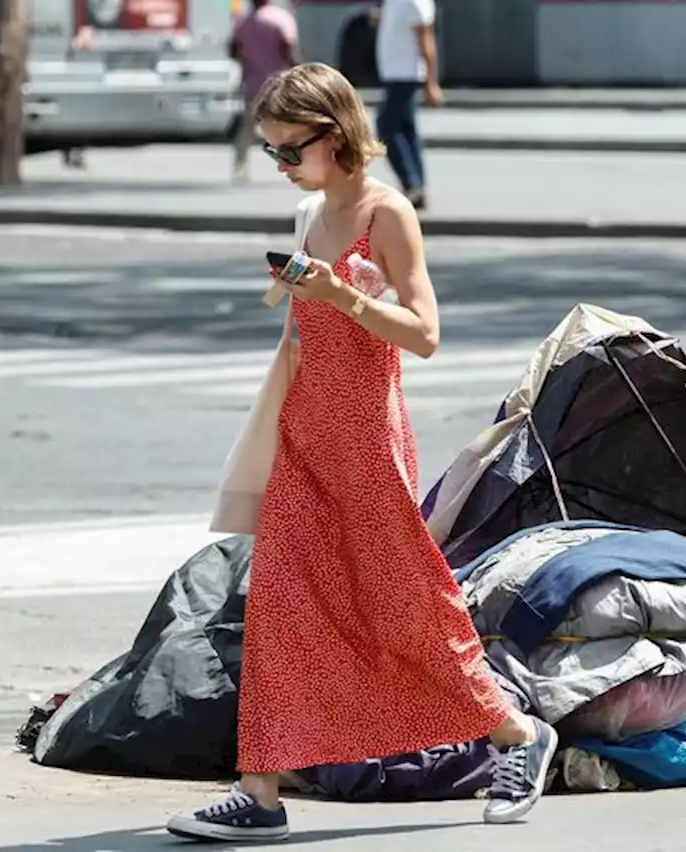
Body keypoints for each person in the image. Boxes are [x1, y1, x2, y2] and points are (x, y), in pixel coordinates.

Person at [165, 63, 557, 843]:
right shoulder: (313, 213)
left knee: (409, 602)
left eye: (288, 150)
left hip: (369, 438)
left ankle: (516, 732)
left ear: (334, 135)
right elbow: (301, 338)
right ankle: (261, 792)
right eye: (272, 151)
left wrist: (343, 296)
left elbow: (426, 335)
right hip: (305, 433)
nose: (280, 166)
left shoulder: (388, 213)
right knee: (280, 607)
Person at [375, 0, 444, 210]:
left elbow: (426, 40)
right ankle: (417, 187)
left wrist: (431, 83)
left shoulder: (415, 2)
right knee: (407, 130)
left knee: (386, 127)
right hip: (396, 74)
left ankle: (412, 184)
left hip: (406, 75)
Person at [229, 0, 302, 183]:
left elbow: (233, 50)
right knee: (289, 127)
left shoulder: (245, 23)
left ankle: (240, 166)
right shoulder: (281, 19)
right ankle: (295, 166)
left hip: (253, 84)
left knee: (246, 127)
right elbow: (289, 49)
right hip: (279, 85)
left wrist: (248, 61)